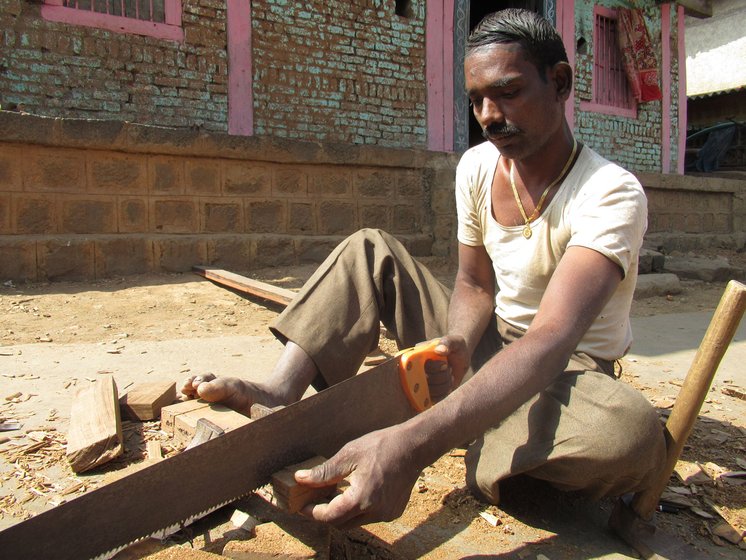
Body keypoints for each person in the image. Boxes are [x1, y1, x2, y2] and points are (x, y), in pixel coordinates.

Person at [182, 9, 666, 528]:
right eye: (476, 100)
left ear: (561, 81)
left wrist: (411, 446)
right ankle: (281, 392)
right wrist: (456, 341)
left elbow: (550, 339)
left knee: (630, 434)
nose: (488, 114)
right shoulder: (478, 166)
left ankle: (469, 429)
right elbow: (475, 282)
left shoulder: (610, 193)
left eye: (508, 92)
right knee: (371, 251)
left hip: (569, 375)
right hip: (490, 343)